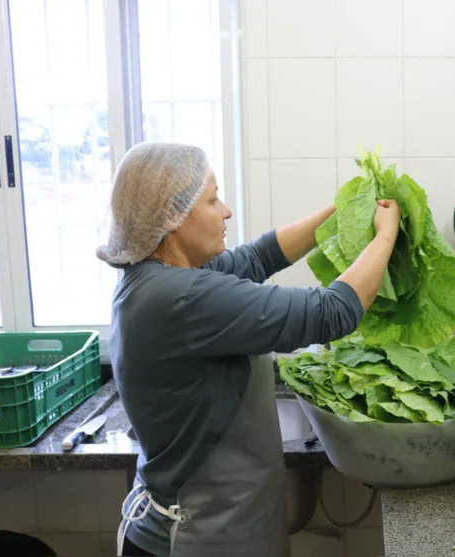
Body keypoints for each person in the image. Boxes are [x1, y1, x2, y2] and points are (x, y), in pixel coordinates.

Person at [96, 141, 400, 557]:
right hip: (193, 539)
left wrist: (341, 212)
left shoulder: (158, 275)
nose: (226, 211)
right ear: (173, 216)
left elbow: (258, 257)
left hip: (219, 531)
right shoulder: (178, 297)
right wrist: (385, 237)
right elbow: (330, 312)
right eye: (212, 199)